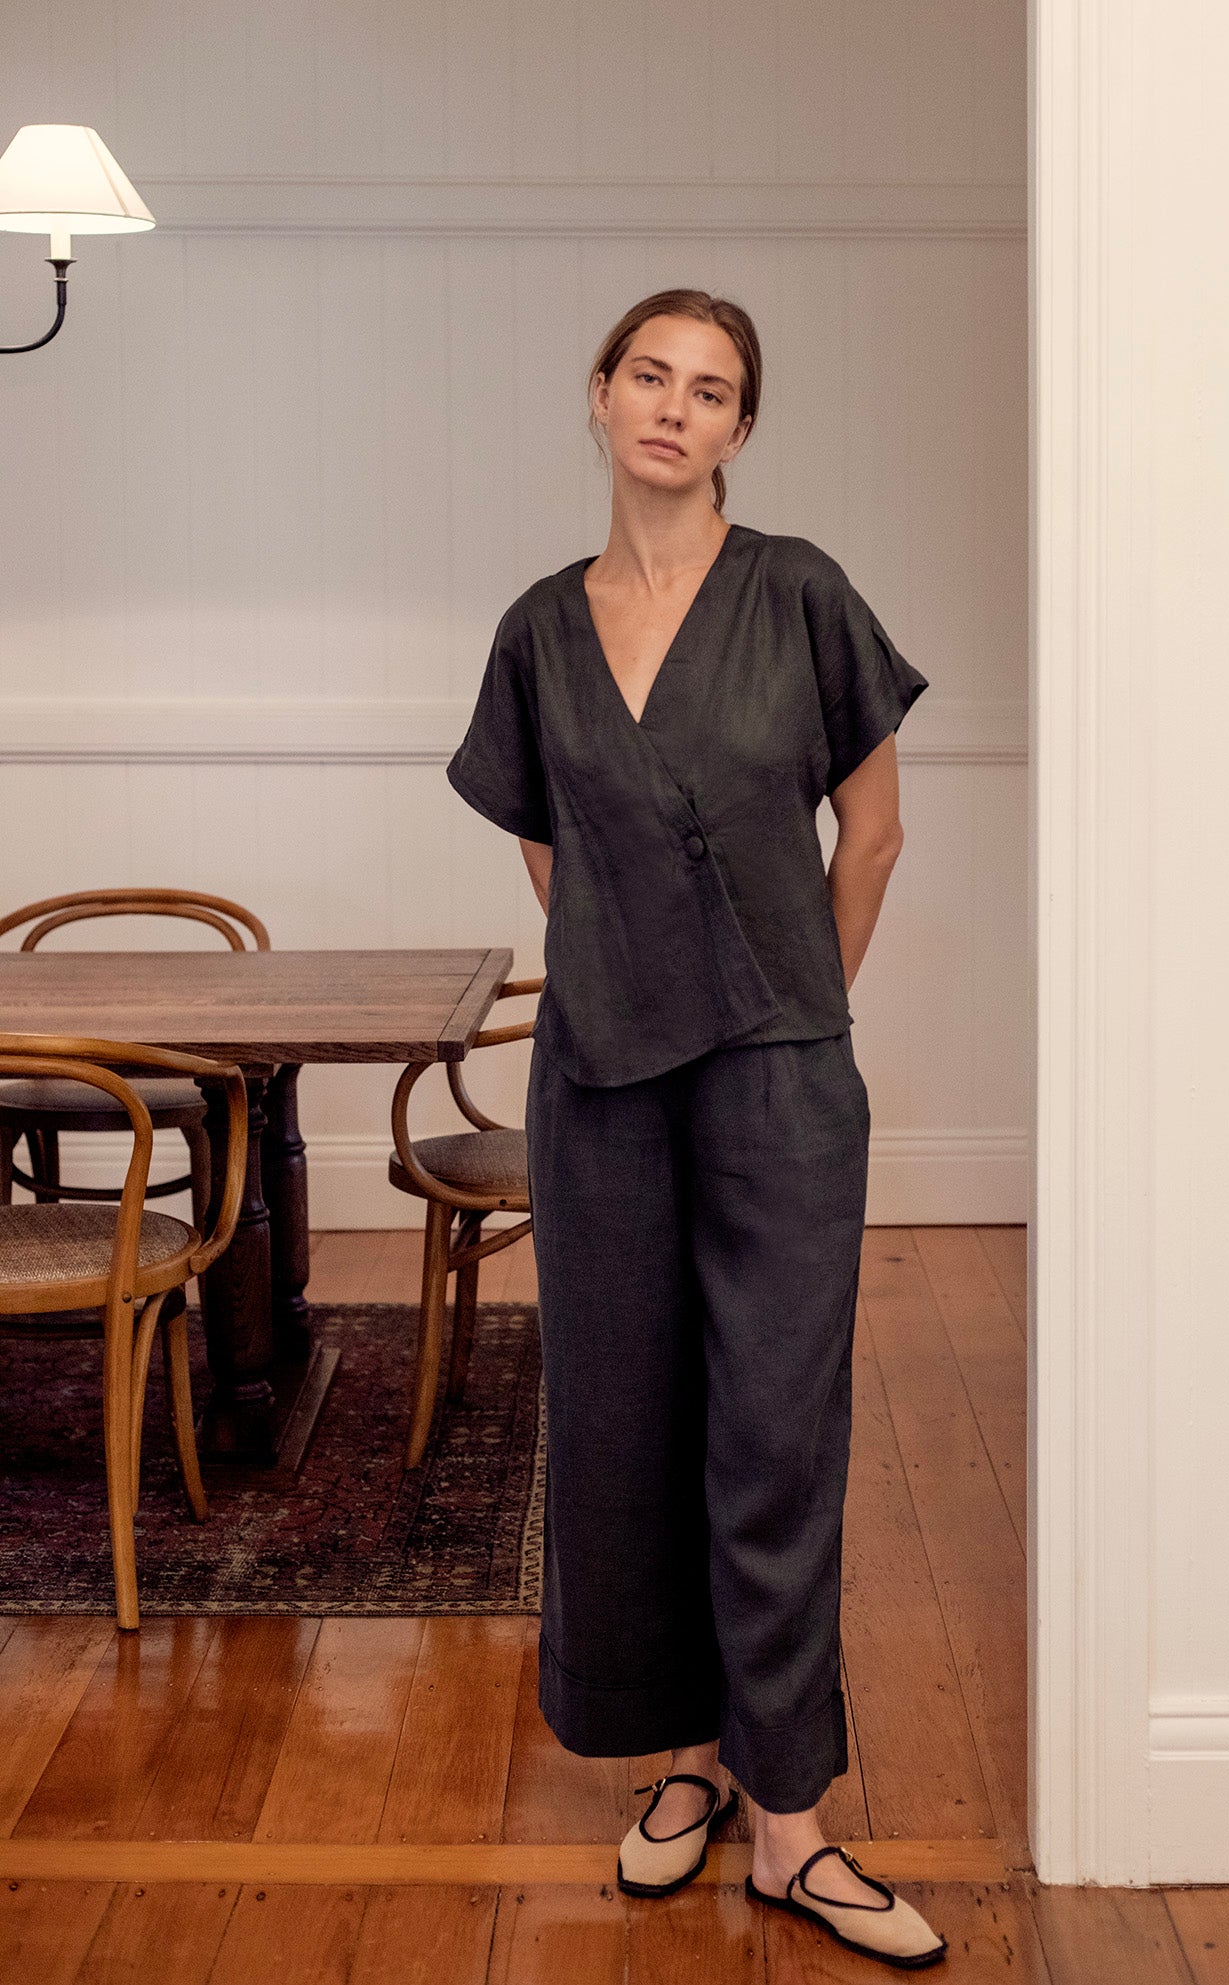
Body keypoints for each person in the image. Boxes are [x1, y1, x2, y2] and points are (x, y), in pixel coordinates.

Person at [447, 288, 948, 1968]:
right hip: (599, 1081)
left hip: (780, 1080)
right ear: (599, 397)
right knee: (622, 1419)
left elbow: (868, 834)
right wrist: (637, 966)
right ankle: (682, 1763)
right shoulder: (537, 626)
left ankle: (792, 1820)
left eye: (711, 388)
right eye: (648, 375)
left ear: (742, 428)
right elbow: (551, 851)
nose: (674, 406)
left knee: (776, 1433)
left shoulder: (800, 593)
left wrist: (790, 994)